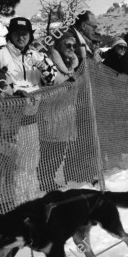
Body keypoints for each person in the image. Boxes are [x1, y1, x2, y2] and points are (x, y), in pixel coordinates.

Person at [0, 17, 57, 210]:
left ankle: (27, 202)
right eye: (17, 33)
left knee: (28, 163)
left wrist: (43, 67)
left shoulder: (36, 55)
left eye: (25, 33)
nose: (21, 37)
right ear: (10, 34)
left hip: (30, 118)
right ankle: (3, 207)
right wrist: (11, 91)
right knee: (2, 165)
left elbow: (52, 80)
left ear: (30, 35)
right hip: (5, 121)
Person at [38, 32, 79, 191]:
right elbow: (43, 89)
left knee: (60, 152)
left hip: (67, 116)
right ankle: (44, 180)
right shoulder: (49, 64)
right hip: (51, 116)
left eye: (73, 45)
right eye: (67, 44)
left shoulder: (71, 66)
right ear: (58, 45)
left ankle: (50, 178)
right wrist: (65, 87)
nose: (71, 48)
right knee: (49, 152)